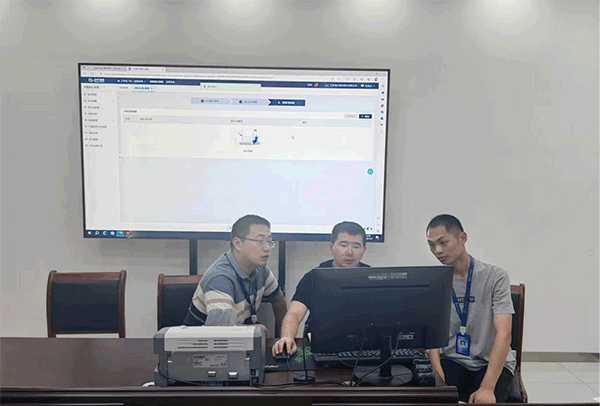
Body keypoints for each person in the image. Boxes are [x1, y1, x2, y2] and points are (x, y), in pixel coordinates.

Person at [425, 214, 515, 403]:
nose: (437, 250)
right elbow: (432, 337)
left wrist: (487, 388)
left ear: (462, 238)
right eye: (431, 245)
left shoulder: (495, 277)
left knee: (483, 400)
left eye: (443, 242)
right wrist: (440, 381)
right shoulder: (435, 280)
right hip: (453, 360)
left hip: (489, 362)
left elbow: (504, 334)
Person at [272, 221, 369, 356]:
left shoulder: (372, 277)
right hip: (321, 347)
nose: (349, 252)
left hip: (363, 347)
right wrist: (287, 337)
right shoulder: (314, 277)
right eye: (343, 245)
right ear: (331, 247)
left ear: (363, 251)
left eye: (356, 246)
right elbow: (294, 313)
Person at [183, 214, 287, 336]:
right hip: (202, 342)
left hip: (235, 340)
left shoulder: (261, 269)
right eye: (260, 241)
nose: (267, 248)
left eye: (269, 242)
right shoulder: (219, 279)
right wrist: (253, 330)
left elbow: (278, 300)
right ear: (237, 243)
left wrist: (285, 337)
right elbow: (222, 330)